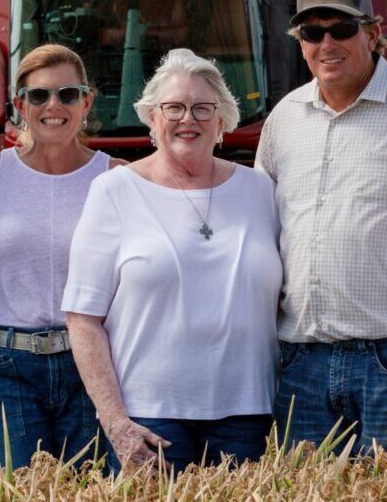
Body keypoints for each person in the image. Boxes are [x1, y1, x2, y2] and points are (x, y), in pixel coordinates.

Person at [63, 48, 282, 475]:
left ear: (222, 120)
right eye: (174, 107)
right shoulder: (113, 191)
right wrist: (116, 424)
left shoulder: (260, 191)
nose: (189, 119)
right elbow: (82, 319)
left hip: (248, 415)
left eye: (203, 108)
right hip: (150, 419)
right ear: (151, 118)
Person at [255, 0, 387, 461]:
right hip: (301, 360)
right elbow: (259, 226)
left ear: (373, 34)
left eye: (341, 28)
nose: (327, 43)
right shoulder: (283, 119)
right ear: (300, 43)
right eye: (312, 33)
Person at [0, 44, 123, 474]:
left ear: (87, 102)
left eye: (67, 94)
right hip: (4, 364)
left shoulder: (116, 178)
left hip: (88, 362)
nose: (53, 106)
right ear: (20, 104)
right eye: (38, 96)